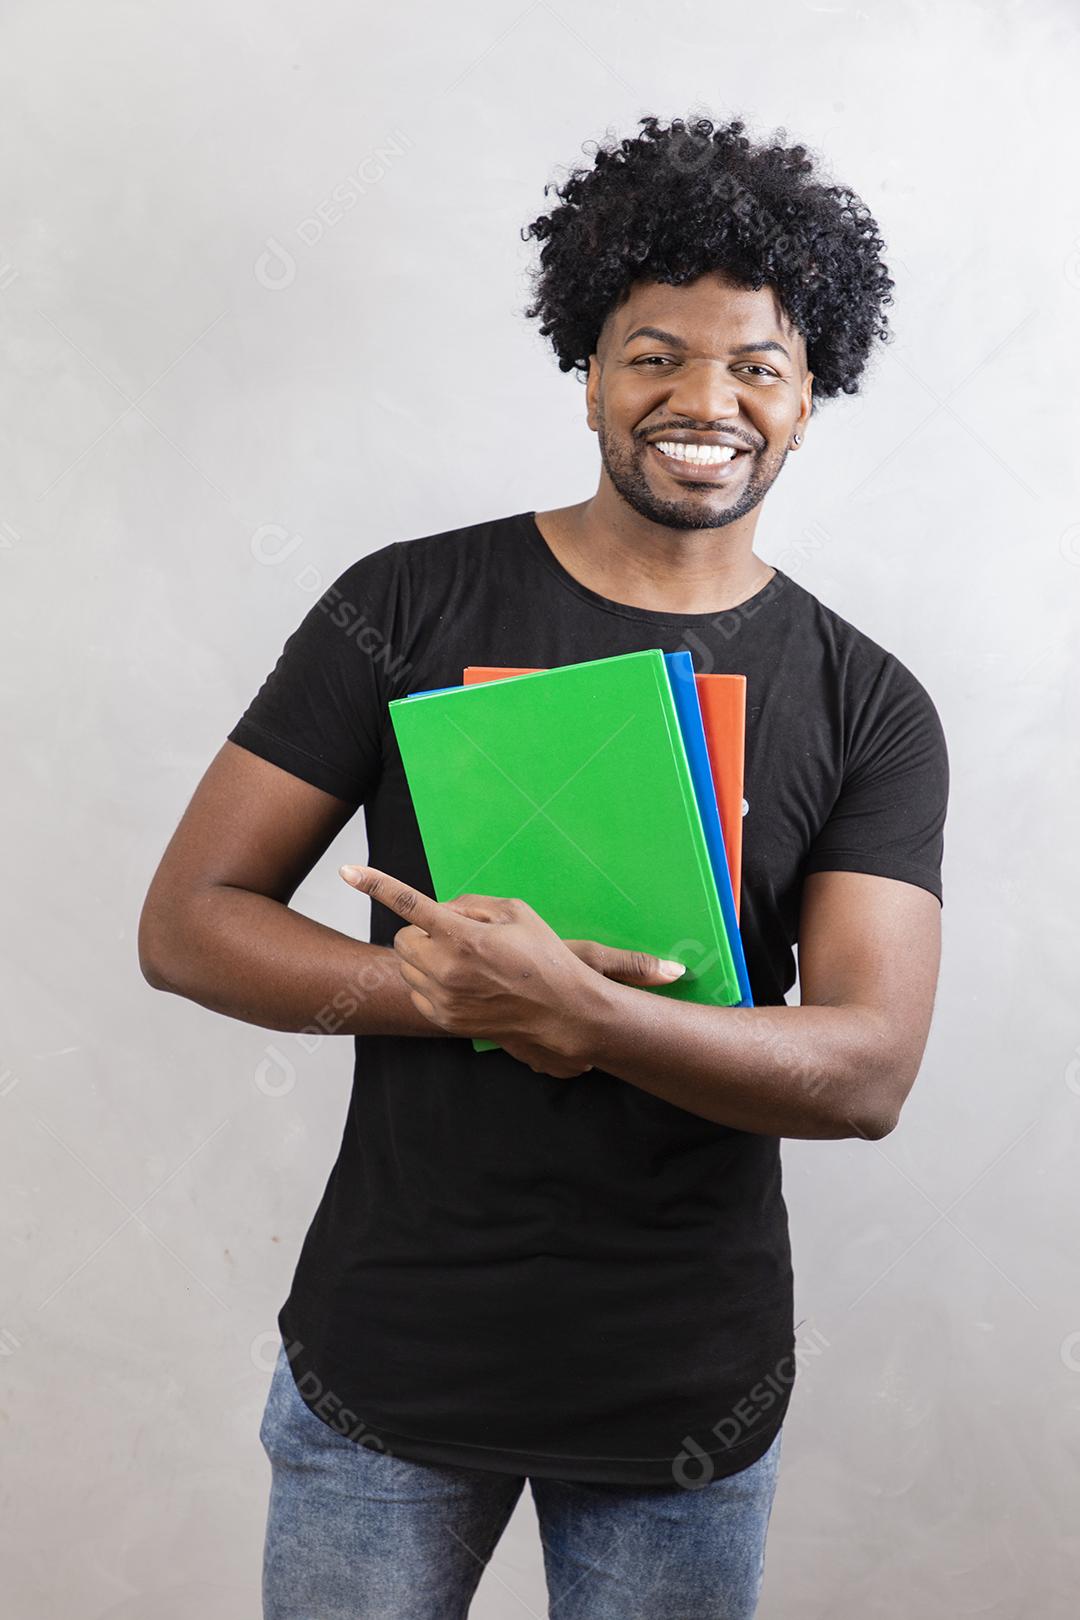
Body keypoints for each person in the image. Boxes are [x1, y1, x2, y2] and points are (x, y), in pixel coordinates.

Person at [138, 112, 949, 1619]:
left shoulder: (867, 701)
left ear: (808, 399)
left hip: (683, 1395)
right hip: (385, 1367)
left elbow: (869, 1069)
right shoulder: (406, 603)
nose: (704, 400)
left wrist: (591, 1018)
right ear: (588, 375)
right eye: (654, 355)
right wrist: (443, 994)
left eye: (757, 366)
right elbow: (189, 922)